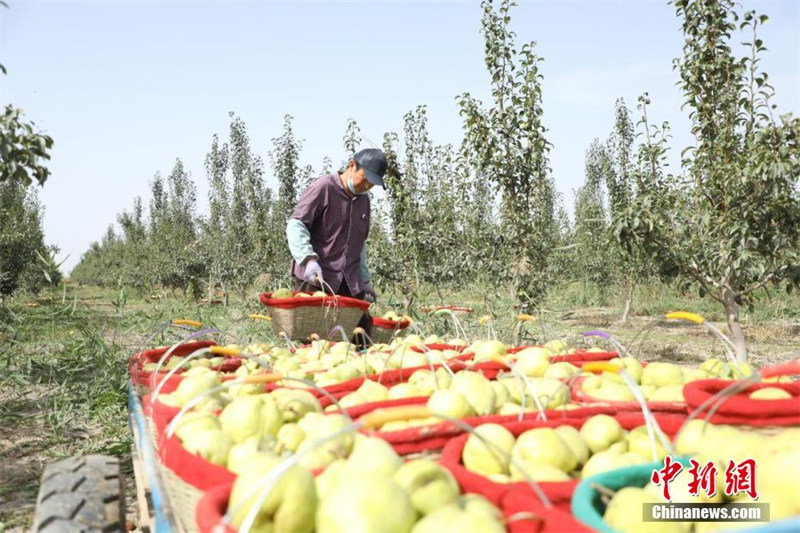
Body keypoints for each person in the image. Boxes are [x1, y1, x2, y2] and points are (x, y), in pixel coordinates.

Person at [286, 148, 387, 342]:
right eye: (364, 178)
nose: (366, 186)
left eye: (372, 184)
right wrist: (308, 260)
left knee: (361, 339)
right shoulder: (324, 188)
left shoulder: (363, 201)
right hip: (317, 279)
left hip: (348, 281)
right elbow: (296, 224)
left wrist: (365, 281)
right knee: (314, 341)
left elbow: (359, 244)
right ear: (351, 165)